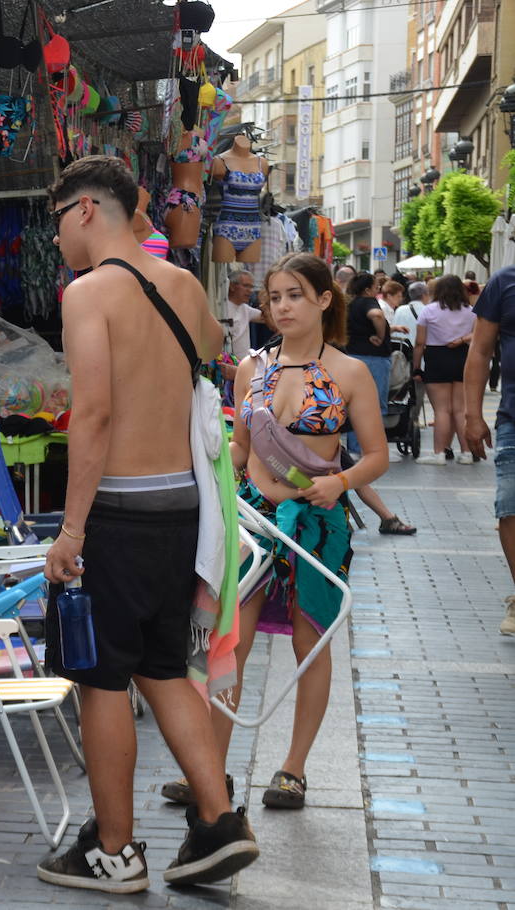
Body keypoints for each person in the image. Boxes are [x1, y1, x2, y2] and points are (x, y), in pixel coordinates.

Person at [37, 156, 258, 894]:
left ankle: (114, 849)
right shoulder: (185, 285)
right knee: (163, 666)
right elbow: (208, 364)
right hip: (183, 511)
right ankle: (219, 820)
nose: (57, 237)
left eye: (57, 220)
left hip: (120, 513)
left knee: (101, 678)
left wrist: (70, 532)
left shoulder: (87, 294)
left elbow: (93, 414)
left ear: (87, 211)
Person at [164, 252, 388, 815]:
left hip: (317, 525)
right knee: (227, 643)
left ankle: (293, 769)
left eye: (293, 295)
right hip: (254, 521)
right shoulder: (251, 368)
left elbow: (378, 456)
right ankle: (210, 772)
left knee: (308, 644)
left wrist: (340, 481)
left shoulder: (350, 372)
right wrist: (214, 466)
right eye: (274, 297)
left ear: (322, 300)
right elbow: (241, 449)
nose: (281, 306)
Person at [463, 264, 515, 635]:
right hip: (514, 416)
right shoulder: (504, 281)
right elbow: (480, 351)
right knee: (510, 509)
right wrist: (473, 415)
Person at [414, 275, 476, 465]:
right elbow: (478, 335)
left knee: (441, 410)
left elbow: (419, 342)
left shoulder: (428, 311)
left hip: (436, 358)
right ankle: (466, 453)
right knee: (460, 410)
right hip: (462, 357)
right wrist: (462, 339)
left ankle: (439, 453)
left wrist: (416, 366)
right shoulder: (471, 311)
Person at [343, 271, 392, 456]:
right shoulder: (368, 302)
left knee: (354, 405)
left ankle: (354, 448)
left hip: (353, 356)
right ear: (367, 289)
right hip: (374, 359)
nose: (377, 290)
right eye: (375, 287)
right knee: (375, 406)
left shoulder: (350, 304)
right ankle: (374, 449)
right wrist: (381, 336)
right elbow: (377, 316)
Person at [222, 268, 263, 381]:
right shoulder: (221, 308)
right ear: (232, 286)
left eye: (251, 287)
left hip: (242, 367)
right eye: (246, 286)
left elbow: (269, 318)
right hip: (226, 368)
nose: (250, 291)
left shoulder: (245, 309)